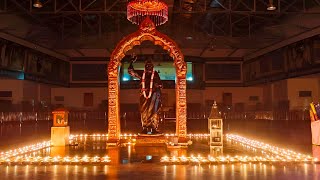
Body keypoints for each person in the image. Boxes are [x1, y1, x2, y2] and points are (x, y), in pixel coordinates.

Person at [128, 54, 162, 134]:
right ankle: (145, 127)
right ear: (145, 66)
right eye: (147, 65)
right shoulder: (142, 73)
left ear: (153, 66)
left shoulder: (155, 74)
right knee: (144, 111)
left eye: (150, 65)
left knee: (154, 111)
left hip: (153, 96)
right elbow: (131, 71)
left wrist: (157, 85)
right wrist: (131, 61)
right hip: (144, 96)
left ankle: (154, 127)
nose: (148, 66)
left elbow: (160, 84)